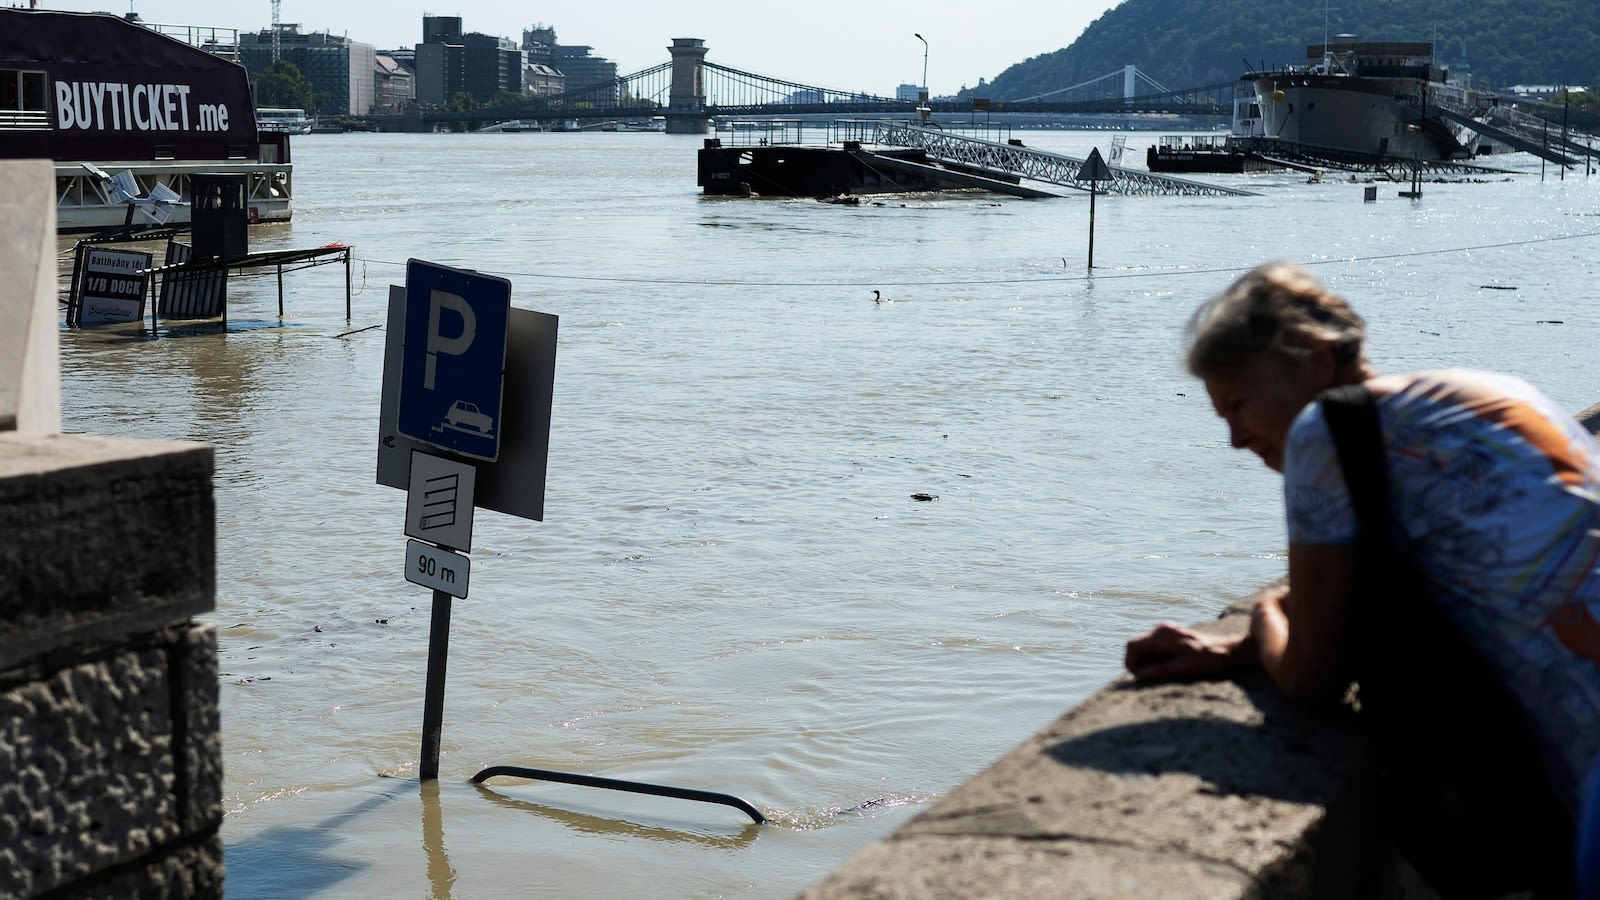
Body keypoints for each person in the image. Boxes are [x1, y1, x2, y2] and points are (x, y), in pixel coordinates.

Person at [1124, 262, 1600, 895]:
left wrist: (1266, 617)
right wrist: (1238, 650)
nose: (1237, 439)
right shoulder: (1492, 391)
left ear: (1318, 363)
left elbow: (1310, 679)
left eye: (1238, 405)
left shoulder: (1324, 433)